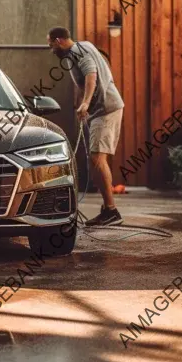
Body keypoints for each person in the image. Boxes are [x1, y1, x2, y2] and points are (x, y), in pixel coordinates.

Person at [47, 26, 125, 226]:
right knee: (96, 159)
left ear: (58, 41)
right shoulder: (84, 47)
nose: (51, 50)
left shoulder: (77, 51)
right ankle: (107, 208)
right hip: (103, 109)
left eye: (51, 45)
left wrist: (86, 103)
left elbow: (91, 74)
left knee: (97, 159)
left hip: (106, 109)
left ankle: (111, 211)